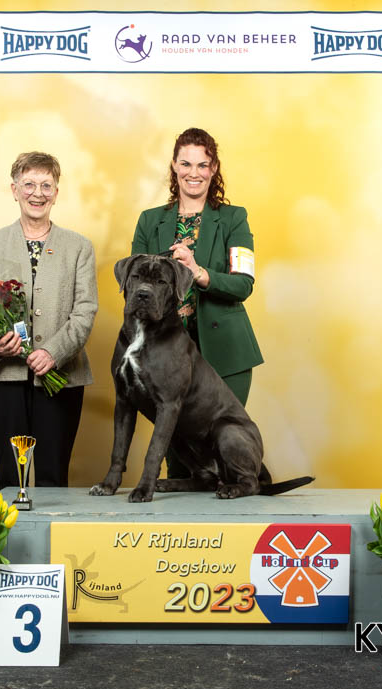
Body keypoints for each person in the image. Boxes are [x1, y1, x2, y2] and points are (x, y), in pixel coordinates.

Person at [131, 127, 263, 477]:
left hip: (226, 355)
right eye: (186, 164)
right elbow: (134, 284)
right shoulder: (150, 220)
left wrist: (198, 272)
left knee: (220, 450)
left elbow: (243, 284)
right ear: (174, 166)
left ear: (214, 168)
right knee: (179, 460)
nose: (194, 173)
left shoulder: (234, 218)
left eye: (203, 165)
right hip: (165, 354)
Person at [0, 152, 98, 490]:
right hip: (3, 379)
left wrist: (53, 352)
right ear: (14, 190)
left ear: (56, 192)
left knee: (53, 474)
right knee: (10, 477)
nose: (37, 193)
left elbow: (85, 311)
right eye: (29, 184)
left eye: (46, 185)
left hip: (61, 378)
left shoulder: (79, 247)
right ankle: (12, 528)